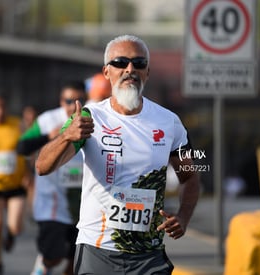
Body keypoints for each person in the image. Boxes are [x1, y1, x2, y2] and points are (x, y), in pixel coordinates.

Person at [35, 34, 200, 275]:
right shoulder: (89, 118)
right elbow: (42, 166)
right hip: (97, 248)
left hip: (148, 254)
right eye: (121, 62)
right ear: (106, 72)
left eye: (139, 63)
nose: (130, 69)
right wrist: (66, 136)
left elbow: (190, 177)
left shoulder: (169, 122)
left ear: (147, 72)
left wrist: (184, 217)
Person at [17, 81, 87, 275]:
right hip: (51, 202)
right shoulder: (47, 120)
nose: (74, 106)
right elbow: (22, 147)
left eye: (80, 100)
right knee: (54, 256)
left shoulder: (92, 119)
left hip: (80, 204)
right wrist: (50, 136)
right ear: (60, 101)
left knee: (75, 261)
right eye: (68, 100)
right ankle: (44, 264)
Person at [0, 93, 27, 275]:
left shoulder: (17, 124)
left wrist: (29, 171)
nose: (0, 112)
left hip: (16, 185)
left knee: (16, 226)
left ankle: (10, 235)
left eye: (3, 107)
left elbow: (28, 147)